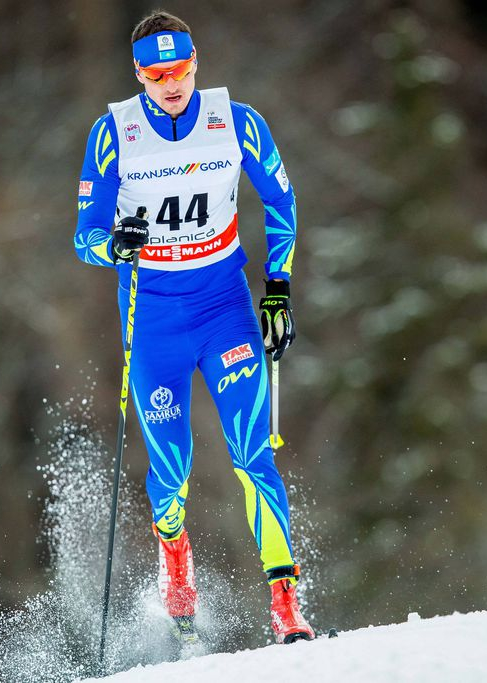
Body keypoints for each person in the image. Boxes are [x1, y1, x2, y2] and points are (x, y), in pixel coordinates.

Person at [73, 9, 314, 645]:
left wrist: (278, 290)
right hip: (153, 318)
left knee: (251, 453)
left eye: (179, 70)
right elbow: (85, 237)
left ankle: (285, 602)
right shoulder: (113, 133)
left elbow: (282, 202)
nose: (170, 84)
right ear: (139, 75)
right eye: (157, 74)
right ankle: (175, 554)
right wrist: (113, 245)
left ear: (196, 64)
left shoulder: (236, 122)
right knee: (172, 469)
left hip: (223, 306)